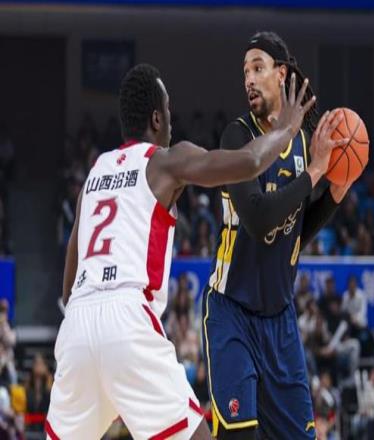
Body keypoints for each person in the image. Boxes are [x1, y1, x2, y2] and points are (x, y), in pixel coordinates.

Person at [45, 62, 331, 440]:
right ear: (156, 118)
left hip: (77, 325)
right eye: (168, 109)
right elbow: (248, 162)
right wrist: (287, 130)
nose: (171, 118)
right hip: (127, 318)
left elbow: (69, 282)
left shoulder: (95, 173)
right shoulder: (165, 160)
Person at [202, 31, 355, 440]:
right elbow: (257, 219)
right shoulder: (238, 137)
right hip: (232, 311)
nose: (249, 79)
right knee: (239, 434)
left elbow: (294, 234)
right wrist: (317, 173)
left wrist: (334, 195)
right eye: (245, 72)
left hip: (280, 320)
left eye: (258, 68)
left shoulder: (304, 142)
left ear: (281, 74)